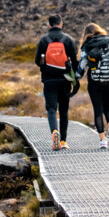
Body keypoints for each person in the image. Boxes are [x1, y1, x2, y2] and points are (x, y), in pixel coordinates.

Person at [74, 23, 109, 149]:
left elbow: (83, 63)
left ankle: (102, 140)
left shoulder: (87, 45)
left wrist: (76, 77)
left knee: (98, 110)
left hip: (95, 80)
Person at [35, 14, 78, 150]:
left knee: (52, 109)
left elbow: (37, 61)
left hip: (49, 80)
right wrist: (74, 77)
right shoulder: (68, 39)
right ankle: (64, 141)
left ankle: (54, 132)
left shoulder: (44, 40)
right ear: (61, 24)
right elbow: (75, 62)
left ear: (49, 25)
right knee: (64, 110)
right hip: (65, 80)